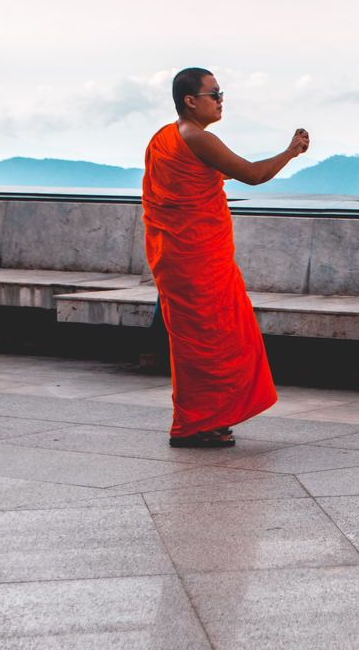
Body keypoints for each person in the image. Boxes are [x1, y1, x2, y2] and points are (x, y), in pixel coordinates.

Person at [143, 68, 309, 447]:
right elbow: (252, 175)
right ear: (191, 101)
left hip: (181, 255)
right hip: (196, 258)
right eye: (214, 93)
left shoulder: (168, 138)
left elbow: (209, 175)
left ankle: (210, 418)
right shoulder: (195, 136)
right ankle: (192, 425)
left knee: (209, 339)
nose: (220, 100)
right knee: (207, 340)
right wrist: (291, 150)